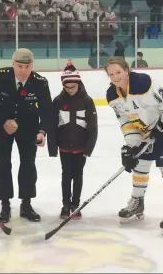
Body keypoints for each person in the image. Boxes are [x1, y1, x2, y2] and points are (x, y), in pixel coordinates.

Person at [104, 56, 163, 235]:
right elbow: (126, 122)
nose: (116, 77)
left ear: (126, 70)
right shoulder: (112, 96)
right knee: (140, 163)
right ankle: (137, 202)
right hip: (148, 130)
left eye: (118, 72)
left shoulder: (144, 83)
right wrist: (132, 146)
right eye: (111, 74)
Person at [0, 48, 52, 223]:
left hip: (29, 128)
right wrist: (2, 121)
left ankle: (26, 204)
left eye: (27, 66)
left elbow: (46, 110)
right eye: (19, 66)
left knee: (28, 165)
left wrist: (42, 131)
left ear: (32, 65)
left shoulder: (40, 82)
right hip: (2, 127)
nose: (23, 70)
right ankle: (5, 205)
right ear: (13, 64)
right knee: (2, 163)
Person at [47, 61, 98, 219]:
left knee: (78, 175)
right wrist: (52, 148)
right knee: (66, 175)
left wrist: (88, 149)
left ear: (78, 83)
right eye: (66, 87)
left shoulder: (87, 101)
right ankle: (66, 205)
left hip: (81, 147)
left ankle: (76, 204)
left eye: (73, 87)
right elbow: (52, 126)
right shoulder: (58, 101)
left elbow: (93, 128)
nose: (70, 90)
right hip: (64, 147)